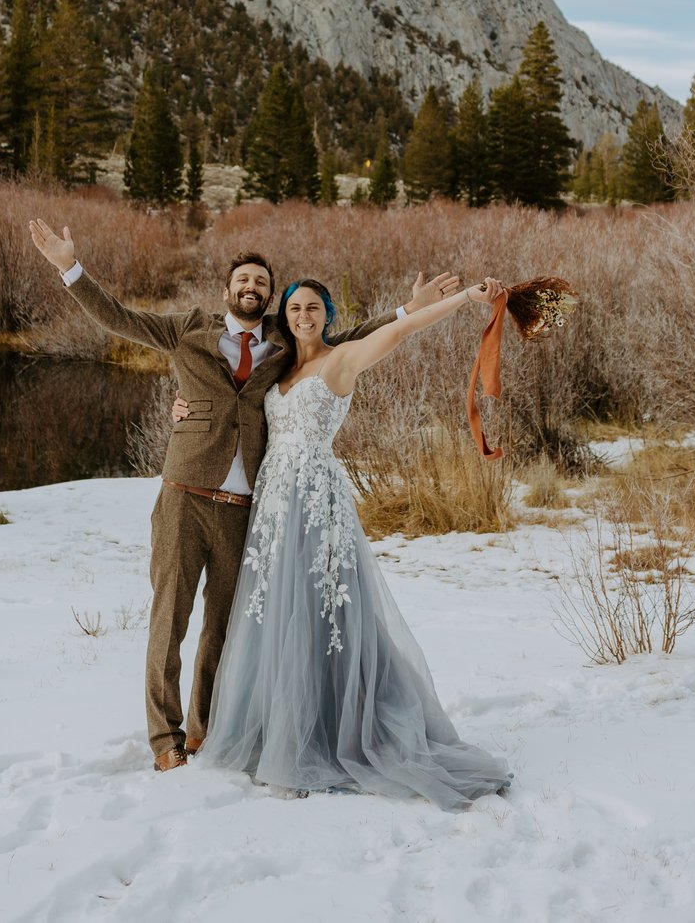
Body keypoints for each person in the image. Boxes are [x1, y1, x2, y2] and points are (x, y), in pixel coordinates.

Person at [27, 217, 464, 773]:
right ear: (227, 290)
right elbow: (119, 318)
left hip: (247, 509)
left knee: (225, 627)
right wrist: (70, 267)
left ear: (271, 298)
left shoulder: (284, 347)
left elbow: (344, 342)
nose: (252, 287)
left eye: (262, 282)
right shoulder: (187, 330)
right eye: (243, 280)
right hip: (184, 494)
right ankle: (166, 739)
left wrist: (408, 310)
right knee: (169, 619)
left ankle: (207, 729)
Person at [186, 275, 513, 808]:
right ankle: (278, 729)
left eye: (313, 307)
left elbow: (404, 330)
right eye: (294, 308)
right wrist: (185, 407)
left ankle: (324, 735)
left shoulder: (341, 360)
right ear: (285, 316)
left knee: (320, 611)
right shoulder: (278, 367)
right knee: (278, 614)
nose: (303, 316)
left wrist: (466, 300)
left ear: (327, 314)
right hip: (274, 506)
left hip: (316, 501)